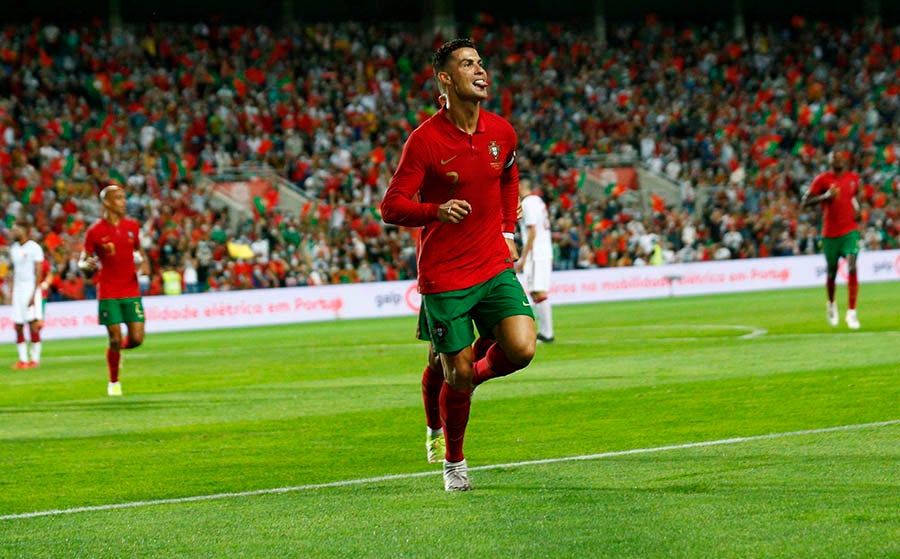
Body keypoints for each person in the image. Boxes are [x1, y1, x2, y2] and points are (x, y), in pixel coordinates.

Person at [381, 38, 536, 491]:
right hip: (445, 273)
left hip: (491, 262)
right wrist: (435, 210)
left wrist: (508, 230)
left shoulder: (501, 131)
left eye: (481, 63)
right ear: (445, 78)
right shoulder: (425, 141)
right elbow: (391, 207)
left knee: (521, 349)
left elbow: (509, 174)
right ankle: (453, 461)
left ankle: (460, 383)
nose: (480, 70)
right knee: (453, 369)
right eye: (468, 64)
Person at [79, 185, 149, 396]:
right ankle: (114, 381)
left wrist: (144, 264)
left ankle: (115, 353)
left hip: (131, 289)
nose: (124, 202)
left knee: (137, 339)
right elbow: (83, 261)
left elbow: (139, 251)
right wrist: (86, 266)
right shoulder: (95, 231)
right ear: (107, 203)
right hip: (108, 291)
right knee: (115, 337)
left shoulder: (132, 226)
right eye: (118, 198)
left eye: (124, 198)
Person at [801, 150, 861, 329]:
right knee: (831, 273)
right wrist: (825, 197)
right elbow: (805, 201)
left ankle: (852, 312)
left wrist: (856, 208)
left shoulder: (853, 179)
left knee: (852, 265)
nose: (839, 161)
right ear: (829, 162)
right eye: (835, 158)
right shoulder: (822, 180)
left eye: (841, 158)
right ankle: (831, 303)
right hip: (829, 234)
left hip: (849, 231)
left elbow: (854, 197)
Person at [516, 178, 554, 343]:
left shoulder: (528, 203)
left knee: (538, 291)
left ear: (521, 185)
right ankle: (545, 332)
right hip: (542, 250)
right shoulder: (538, 201)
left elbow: (532, 231)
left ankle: (547, 333)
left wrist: (524, 257)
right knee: (535, 291)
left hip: (536, 252)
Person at [8, 221, 45, 369]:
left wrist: (34, 294)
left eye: (15, 230)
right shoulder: (14, 249)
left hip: (31, 287)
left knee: (33, 324)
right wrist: (11, 291)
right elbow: (14, 271)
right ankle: (22, 359)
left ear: (24, 230)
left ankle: (34, 359)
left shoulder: (34, 248)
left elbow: (39, 272)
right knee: (17, 325)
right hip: (18, 289)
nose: (13, 232)